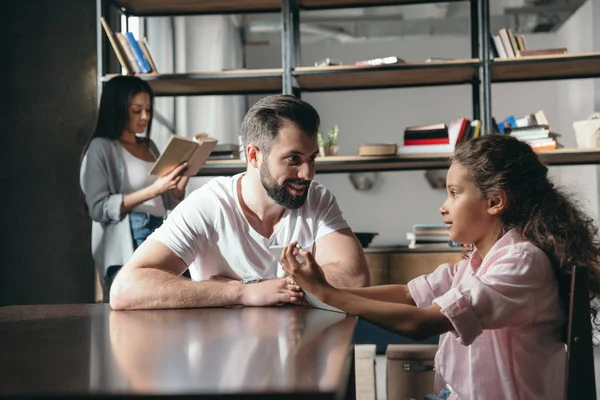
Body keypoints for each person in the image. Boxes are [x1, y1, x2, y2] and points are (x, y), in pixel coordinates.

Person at [281, 134, 600, 400]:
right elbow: (408, 294)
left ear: (494, 202)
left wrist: (327, 294)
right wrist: (324, 291)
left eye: (454, 193)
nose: (443, 207)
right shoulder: (477, 264)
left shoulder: (521, 264)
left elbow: (421, 323)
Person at [109, 94, 370, 310]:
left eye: (312, 158)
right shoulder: (208, 205)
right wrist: (242, 293)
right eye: (294, 159)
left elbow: (356, 279)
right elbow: (126, 288)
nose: (307, 174)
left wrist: (261, 287)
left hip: (300, 354)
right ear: (254, 155)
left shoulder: (317, 199)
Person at [80, 75, 190, 302]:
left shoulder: (149, 146)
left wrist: (179, 182)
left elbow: (168, 202)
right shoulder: (101, 148)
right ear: (118, 109)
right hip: (130, 235)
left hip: (160, 230)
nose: (145, 117)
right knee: (133, 308)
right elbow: (98, 208)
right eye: (136, 109)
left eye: (148, 109)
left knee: (168, 304)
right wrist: (154, 190)